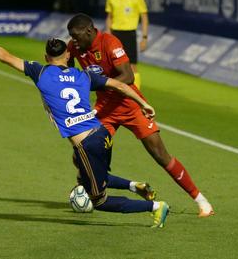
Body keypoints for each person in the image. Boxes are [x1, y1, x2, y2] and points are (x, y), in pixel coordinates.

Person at [0, 30, 170, 228]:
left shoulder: (40, 71)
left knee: (99, 200)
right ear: (68, 55)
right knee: (86, 174)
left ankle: (156, 207)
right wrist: (142, 103)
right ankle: (134, 185)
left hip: (86, 144)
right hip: (102, 133)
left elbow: (4, 56)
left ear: (46, 57)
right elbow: (119, 86)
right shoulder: (84, 76)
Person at [67, 14, 214, 218]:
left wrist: (92, 83)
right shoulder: (75, 46)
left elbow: (127, 76)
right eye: (71, 37)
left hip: (129, 105)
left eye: (76, 36)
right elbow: (66, 66)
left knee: (160, 155)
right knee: (82, 155)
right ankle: (122, 189)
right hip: (104, 109)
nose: (73, 40)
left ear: (89, 31)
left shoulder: (109, 43)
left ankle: (201, 200)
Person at [105, 0, 148, 89]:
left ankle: (136, 94)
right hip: (115, 35)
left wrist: (144, 37)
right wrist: (108, 32)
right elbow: (109, 16)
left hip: (129, 34)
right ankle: (114, 93)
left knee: (132, 66)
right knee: (113, 65)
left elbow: (144, 17)